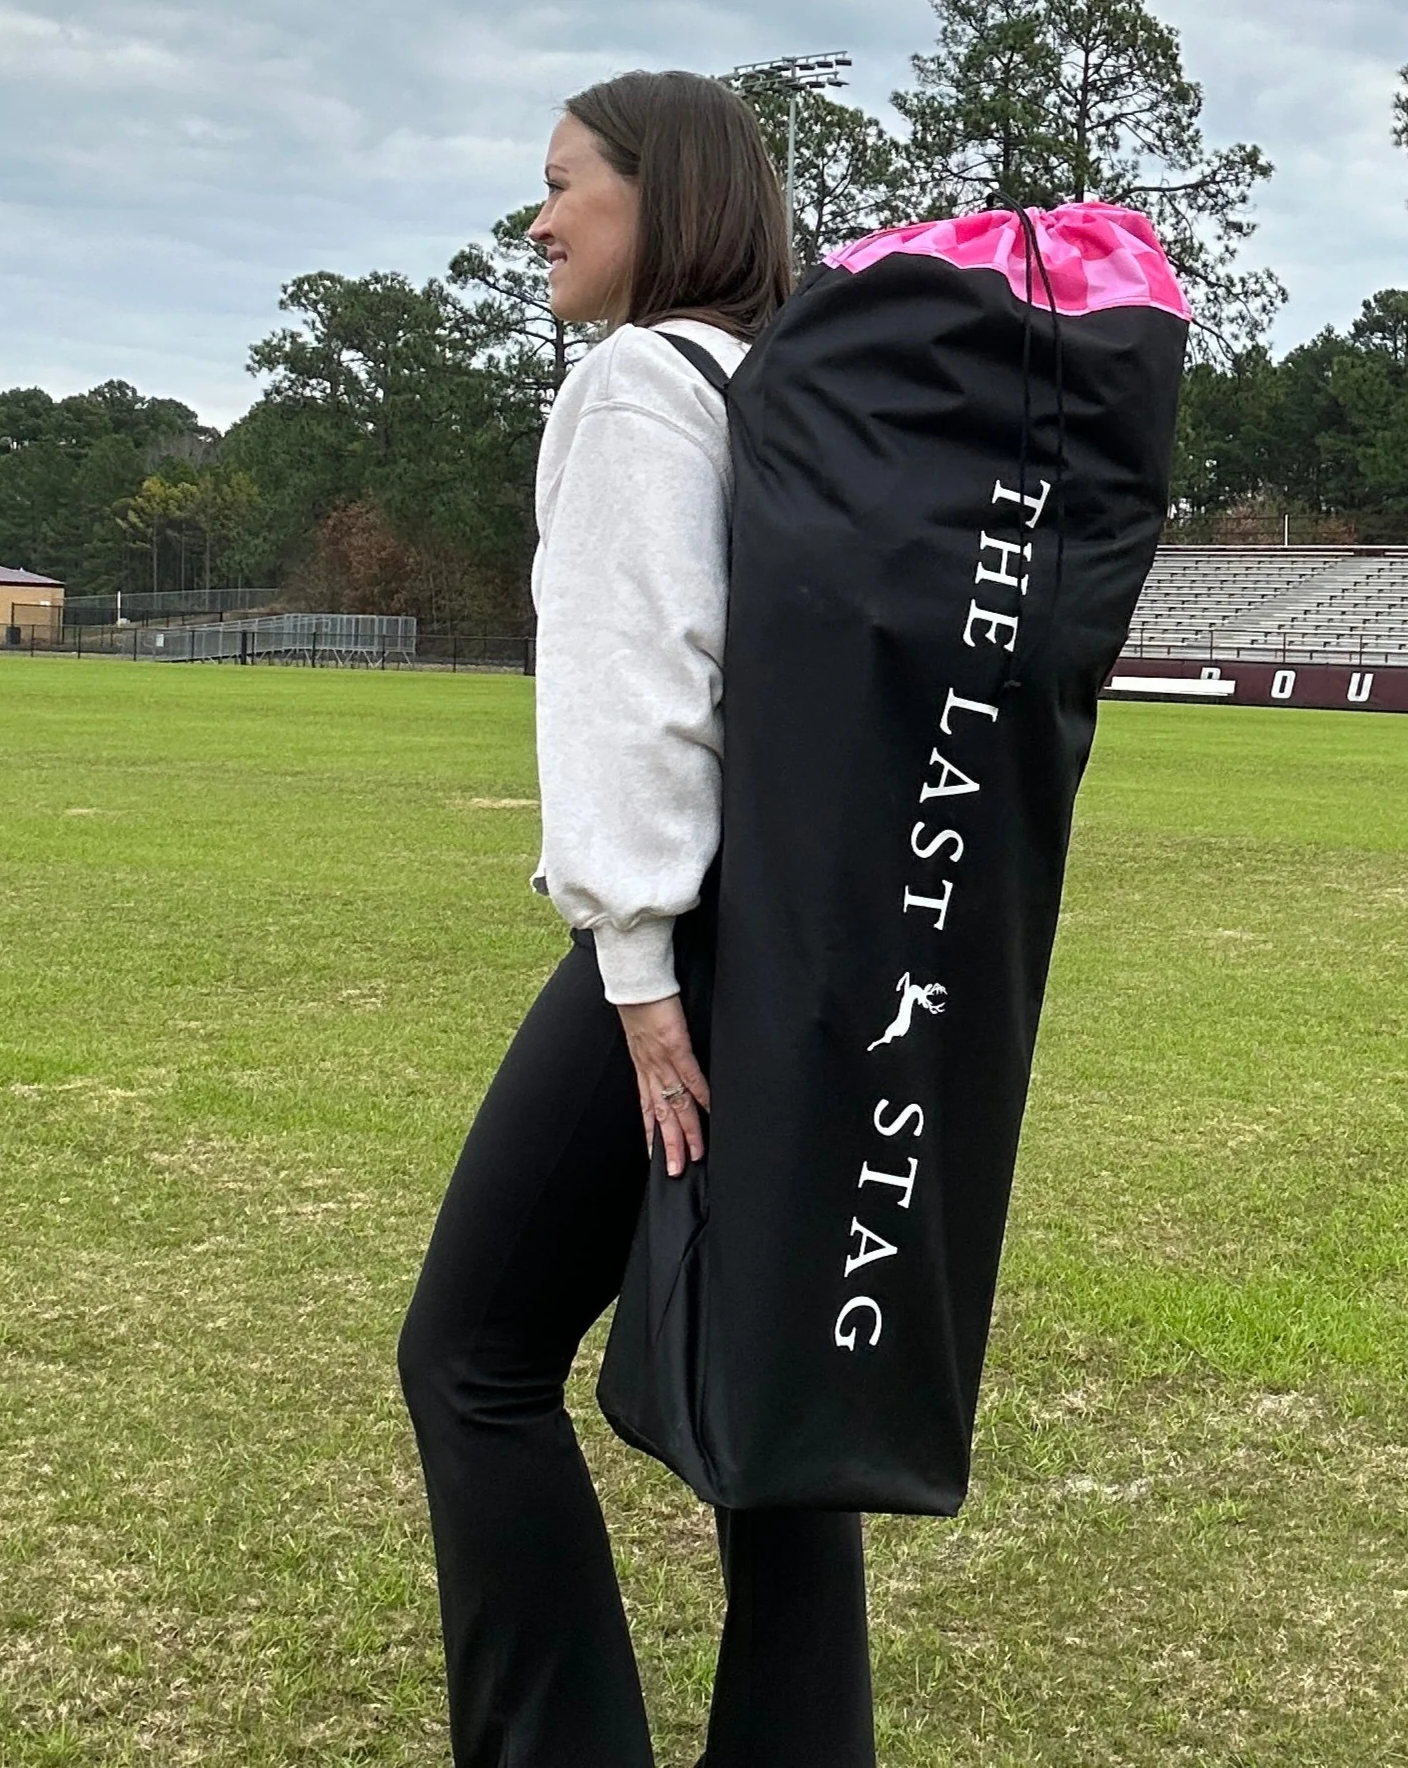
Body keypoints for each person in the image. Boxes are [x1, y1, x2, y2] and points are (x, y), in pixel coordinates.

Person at [397, 70, 880, 1768]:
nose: (537, 219)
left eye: (561, 183)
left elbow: (644, 688)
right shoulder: (792, 386)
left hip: (688, 945)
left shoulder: (638, 381)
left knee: (470, 1360)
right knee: (770, 1378)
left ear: (657, 194)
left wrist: (634, 960)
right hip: (821, 939)